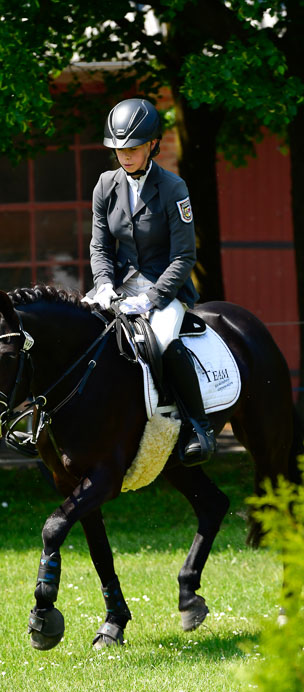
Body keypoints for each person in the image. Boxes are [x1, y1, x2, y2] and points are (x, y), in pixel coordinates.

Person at [85, 98, 216, 466]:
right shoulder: (105, 186)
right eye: (119, 149)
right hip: (120, 284)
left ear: (152, 145)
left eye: (133, 148)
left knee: (163, 339)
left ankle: (198, 426)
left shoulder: (174, 189)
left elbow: (184, 257)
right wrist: (105, 283)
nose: (124, 156)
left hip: (164, 287)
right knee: (78, 327)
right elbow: (99, 245)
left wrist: (152, 298)